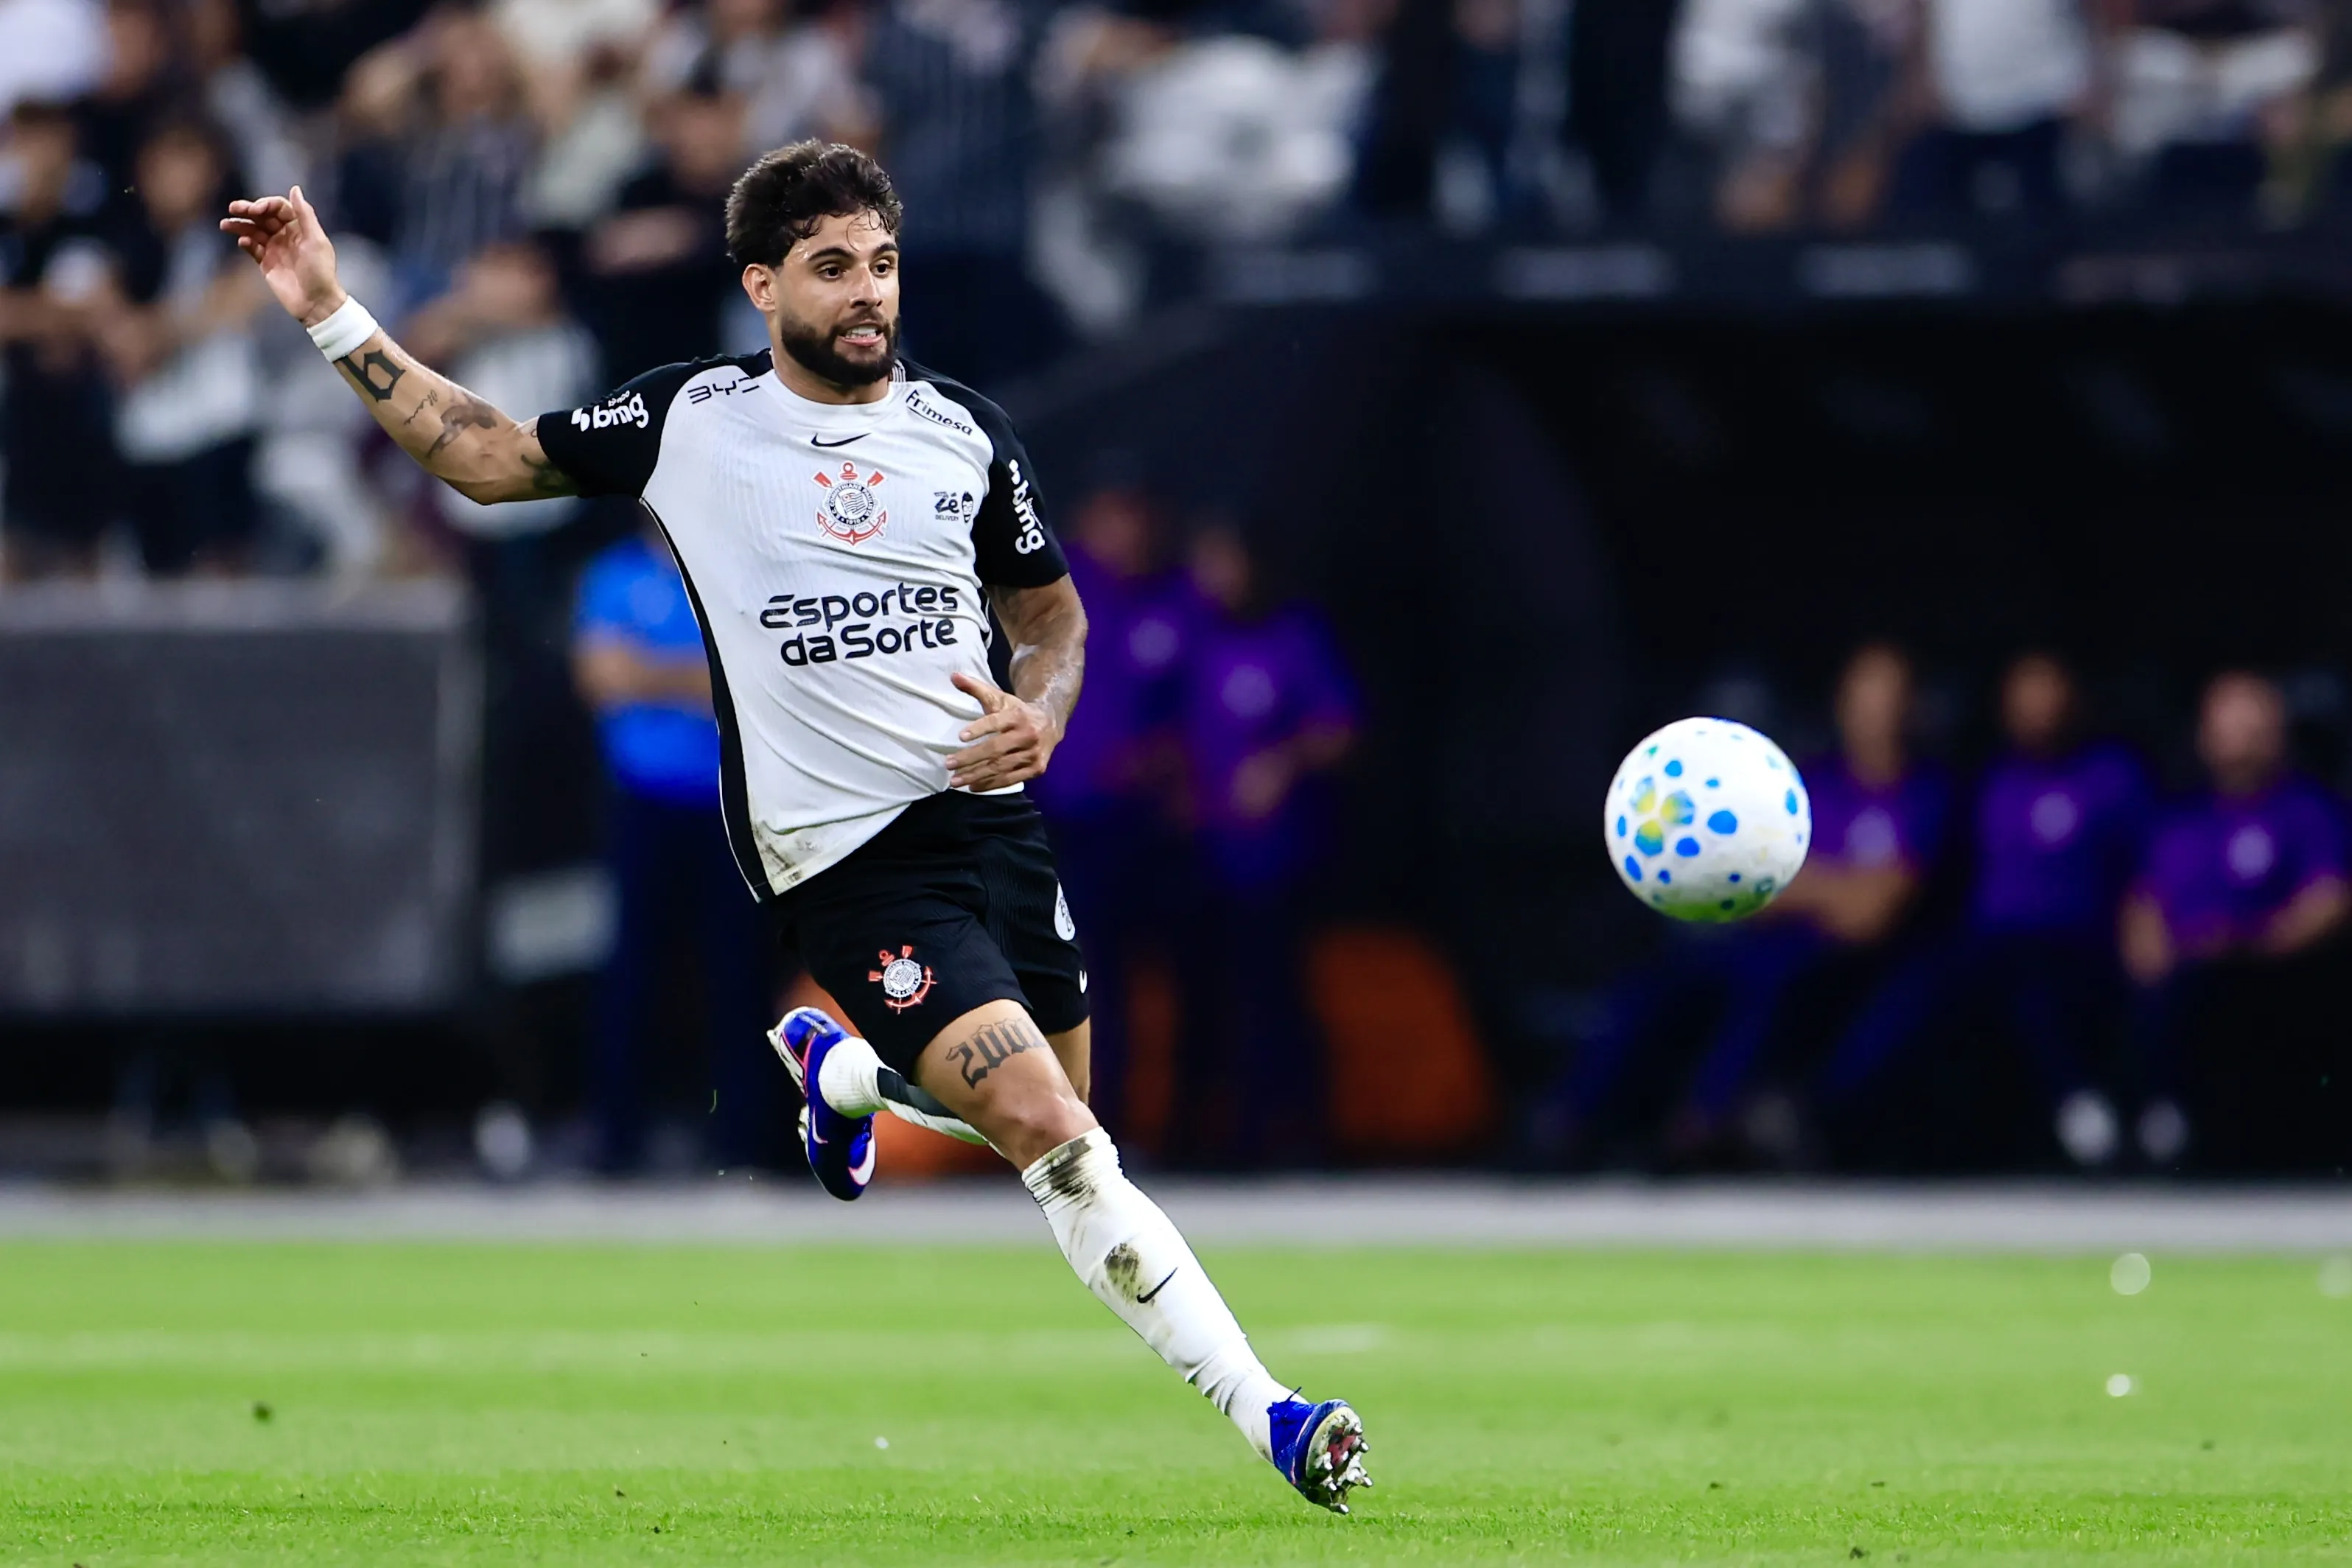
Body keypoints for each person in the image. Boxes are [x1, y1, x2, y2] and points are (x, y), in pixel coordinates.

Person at [221, 139, 1371, 1513]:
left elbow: (1051, 617)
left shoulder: (963, 431)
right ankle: (1279, 1415)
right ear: (762, 283)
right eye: (832, 267)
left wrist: (1044, 710)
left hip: (992, 826)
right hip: (845, 859)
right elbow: (483, 456)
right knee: (1055, 1136)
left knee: (1058, 1121)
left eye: (881, 263)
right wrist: (325, 305)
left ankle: (842, 1076)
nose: (866, 292)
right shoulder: (690, 421)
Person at [1541, 644, 1949, 1164]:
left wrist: (1807, 885)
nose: (1878, 711)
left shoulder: (1928, 792)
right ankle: (1566, 1125)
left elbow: (1874, 914)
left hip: (1853, 965)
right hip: (1763, 942)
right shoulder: (1807, 783)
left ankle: (1698, 1129)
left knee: (1772, 988)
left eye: (1891, 696)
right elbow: (1750, 887)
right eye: (1866, 694)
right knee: (1652, 987)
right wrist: (1841, 886)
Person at [1807, 654, 2151, 1166]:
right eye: (2024, 693)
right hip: (1989, 948)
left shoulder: (2112, 774)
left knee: (2035, 986)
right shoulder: (1985, 780)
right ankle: (1831, 1111)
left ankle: (2085, 1111)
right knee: (1920, 987)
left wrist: (2144, 927)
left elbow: (2145, 871)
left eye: (2049, 690)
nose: (2038, 707)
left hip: (2079, 945)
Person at [575, 521, 776, 1171]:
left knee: (740, 976)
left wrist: (650, 674)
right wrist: (696, 678)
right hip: (645, 800)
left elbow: (757, 683)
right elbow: (604, 679)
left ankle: (745, 1142)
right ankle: (617, 1140)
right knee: (633, 975)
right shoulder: (614, 576)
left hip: (733, 804)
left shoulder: (743, 572)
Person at [1172, 522, 1357, 1167]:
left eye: (1226, 561)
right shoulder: (1191, 634)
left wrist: (1281, 764)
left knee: (1273, 997)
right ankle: (1197, 1138)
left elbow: (1340, 728)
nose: (1214, 576)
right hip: (1201, 857)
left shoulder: (1294, 632)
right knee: (1200, 1000)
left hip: (1274, 860)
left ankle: (1292, 1135)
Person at [2121, 671, 2349, 1163]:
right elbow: (2145, 900)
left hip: (2271, 975)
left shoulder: (2309, 810)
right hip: (2185, 976)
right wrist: (2151, 947)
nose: (2240, 742)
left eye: (2253, 727)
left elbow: (2331, 898)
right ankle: (2162, 1121)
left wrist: (2259, 944)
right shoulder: (2180, 818)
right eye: (2228, 727)